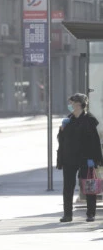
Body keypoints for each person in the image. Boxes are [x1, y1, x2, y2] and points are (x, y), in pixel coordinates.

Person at [56, 93, 103, 223]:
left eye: (72, 103)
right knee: (68, 187)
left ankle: (90, 214)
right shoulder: (68, 120)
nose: (70, 105)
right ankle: (67, 214)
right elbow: (62, 140)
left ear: (79, 104)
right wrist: (62, 130)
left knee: (88, 186)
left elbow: (94, 141)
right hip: (69, 159)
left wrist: (94, 160)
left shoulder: (89, 120)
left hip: (85, 159)